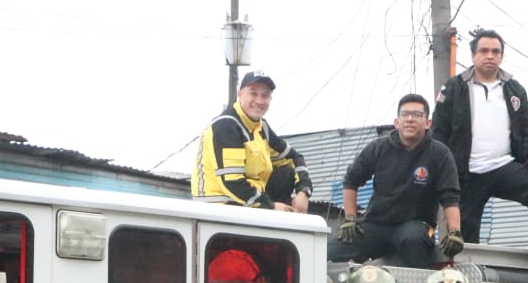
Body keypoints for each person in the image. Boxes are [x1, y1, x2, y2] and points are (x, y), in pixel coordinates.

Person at [431, 29, 528, 272]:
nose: (490, 56)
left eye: (495, 51)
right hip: (466, 174)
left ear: (502, 56)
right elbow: (438, 132)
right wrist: (444, 171)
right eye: (484, 51)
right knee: (465, 242)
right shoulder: (453, 88)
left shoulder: (514, 89)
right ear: (473, 55)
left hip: (503, 166)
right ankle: (467, 278)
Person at [328, 94, 463, 268]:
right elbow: (351, 181)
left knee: (412, 240)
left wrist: (455, 231)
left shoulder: (440, 154)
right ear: (397, 122)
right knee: (328, 250)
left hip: (414, 226)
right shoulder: (378, 148)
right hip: (376, 224)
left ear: (428, 123)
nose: (410, 119)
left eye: (417, 115)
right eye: (405, 114)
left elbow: (450, 197)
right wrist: (350, 219)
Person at [192, 70, 312, 211]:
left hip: (248, 207)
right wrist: (271, 206)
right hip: (218, 210)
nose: (259, 101)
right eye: (253, 93)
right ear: (240, 94)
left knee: (285, 173)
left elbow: (294, 158)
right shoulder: (226, 125)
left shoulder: (261, 127)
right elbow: (232, 181)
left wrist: (303, 192)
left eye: (265, 95)